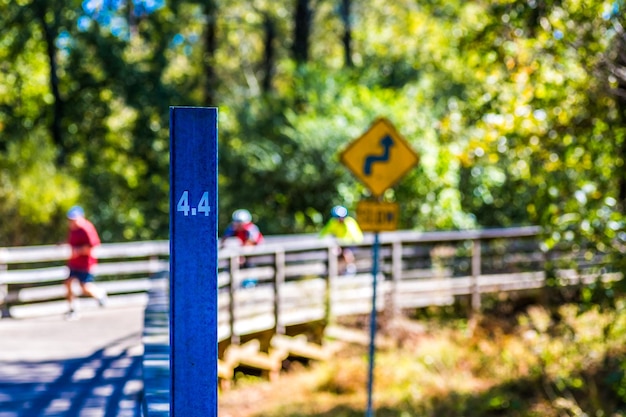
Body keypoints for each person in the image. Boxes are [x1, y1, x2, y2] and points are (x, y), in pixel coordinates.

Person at [64, 206, 108, 320]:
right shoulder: (73, 229)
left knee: (84, 287)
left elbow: (93, 247)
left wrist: (78, 251)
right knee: (68, 283)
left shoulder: (86, 229)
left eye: (74, 219)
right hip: (74, 263)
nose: (72, 222)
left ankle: (99, 294)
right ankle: (72, 309)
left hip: (85, 264)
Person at [319, 205, 364, 275]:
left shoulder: (349, 222)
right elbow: (323, 234)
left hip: (351, 245)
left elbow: (357, 238)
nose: (339, 219)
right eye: (337, 217)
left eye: (341, 217)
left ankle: (350, 269)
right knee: (333, 251)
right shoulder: (333, 222)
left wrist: (342, 244)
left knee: (347, 253)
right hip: (339, 245)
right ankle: (334, 272)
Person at [220, 209, 264, 273]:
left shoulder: (250, 228)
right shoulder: (233, 228)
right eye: (236, 222)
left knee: (248, 267)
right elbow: (224, 239)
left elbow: (250, 243)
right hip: (242, 253)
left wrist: (241, 255)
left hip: (255, 254)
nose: (237, 224)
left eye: (239, 222)